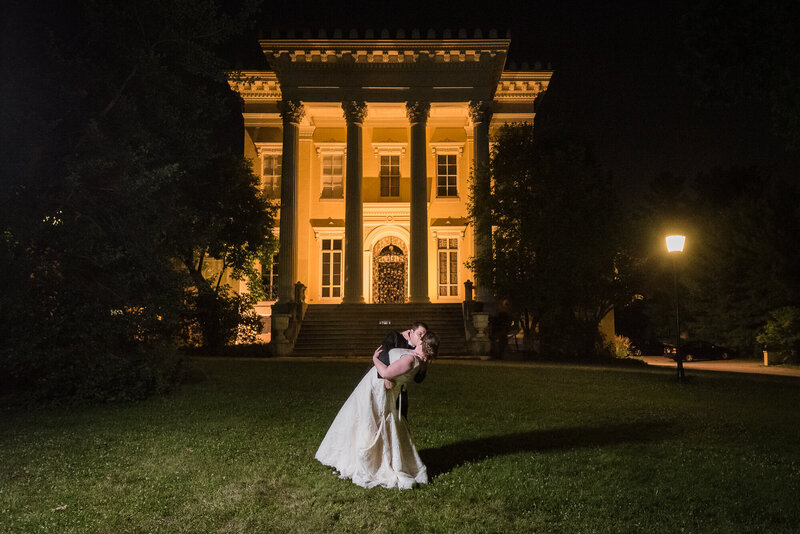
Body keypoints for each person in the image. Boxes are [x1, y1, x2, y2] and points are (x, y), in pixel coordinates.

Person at [315, 332, 440, 489]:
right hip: (383, 391)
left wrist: (375, 359)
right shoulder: (419, 360)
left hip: (377, 391)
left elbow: (386, 372)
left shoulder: (411, 359)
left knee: (366, 420)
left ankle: (367, 460)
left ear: (422, 343)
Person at [373, 321, 428, 418]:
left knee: (399, 419)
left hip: (400, 390)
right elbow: (382, 353)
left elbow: (418, 379)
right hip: (381, 382)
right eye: (419, 334)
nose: (422, 338)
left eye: (424, 335)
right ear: (411, 332)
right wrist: (386, 377)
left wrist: (425, 365)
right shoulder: (395, 337)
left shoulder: (420, 352)